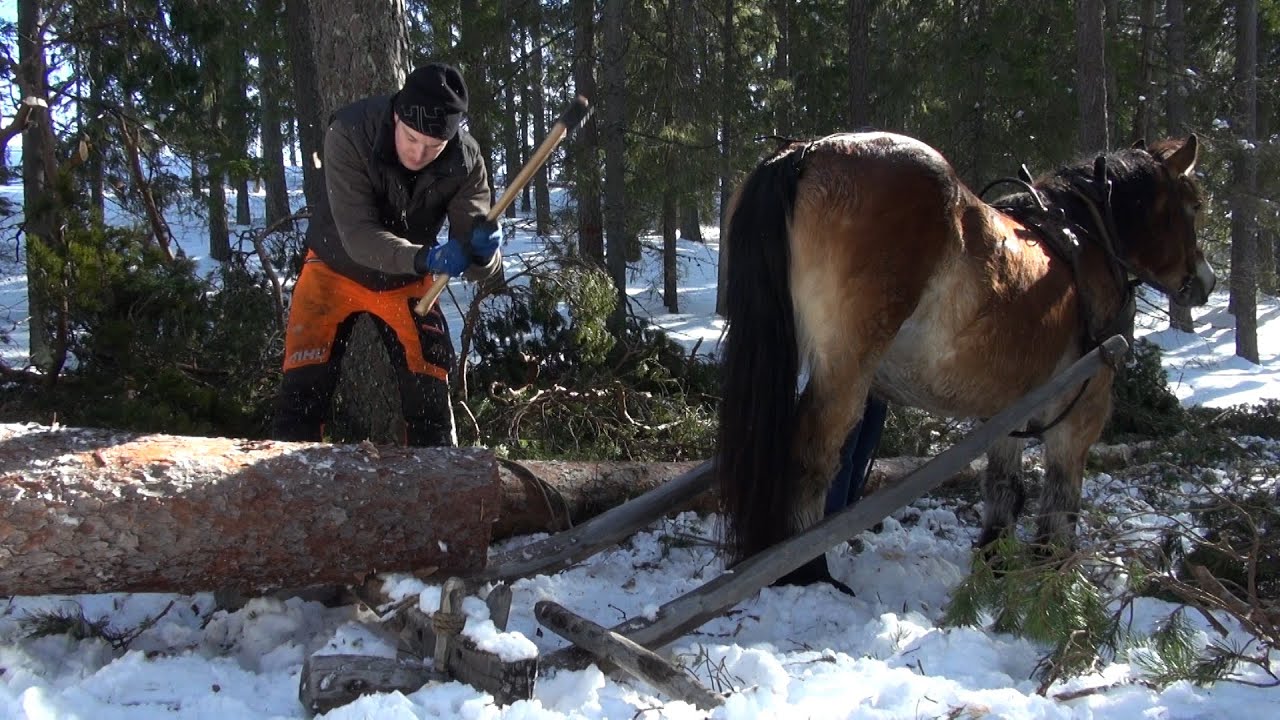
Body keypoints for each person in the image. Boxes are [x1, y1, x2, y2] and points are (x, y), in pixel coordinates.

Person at [272, 62, 502, 447]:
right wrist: (426, 258)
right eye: (411, 138)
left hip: (407, 281)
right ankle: (289, 487)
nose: (418, 153)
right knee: (301, 396)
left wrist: (484, 254)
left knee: (430, 404)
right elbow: (358, 236)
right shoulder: (348, 132)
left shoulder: (466, 161)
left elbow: (477, 265)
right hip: (333, 267)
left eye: (434, 146)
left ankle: (435, 491)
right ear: (397, 115)